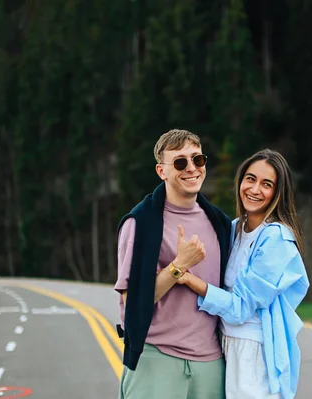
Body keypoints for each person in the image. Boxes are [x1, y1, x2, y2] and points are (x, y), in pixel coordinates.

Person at [176, 149, 310, 399]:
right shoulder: (235, 228)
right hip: (224, 342)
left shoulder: (276, 240)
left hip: (252, 351)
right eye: (250, 179)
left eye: (267, 184)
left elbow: (240, 309)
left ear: (277, 193)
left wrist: (189, 280)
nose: (255, 189)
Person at [114, 129, 232, 399]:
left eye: (197, 160)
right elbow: (132, 301)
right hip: (157, 357)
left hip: (211, 363)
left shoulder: (221, 224)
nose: (191, 168)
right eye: (180, 162)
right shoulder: (139, 224)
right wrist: (178, 266)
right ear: (161, 171)